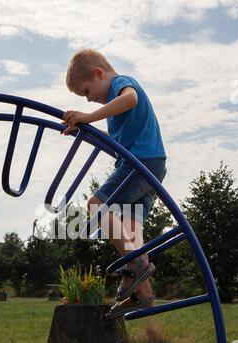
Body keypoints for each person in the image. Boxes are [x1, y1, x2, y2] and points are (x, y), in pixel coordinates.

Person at [62, 49, 167, 318]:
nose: (88, 99)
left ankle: (136, 264)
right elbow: (116, 134)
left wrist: (86, 116)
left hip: (140, 163)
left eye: (86, 91)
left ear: (99, 73)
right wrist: (83, 127)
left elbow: (130, 99)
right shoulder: (111, 104)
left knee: (96, 204)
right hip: (149, 165)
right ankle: (142, 293)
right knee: (131, 232)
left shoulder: (122, 84)